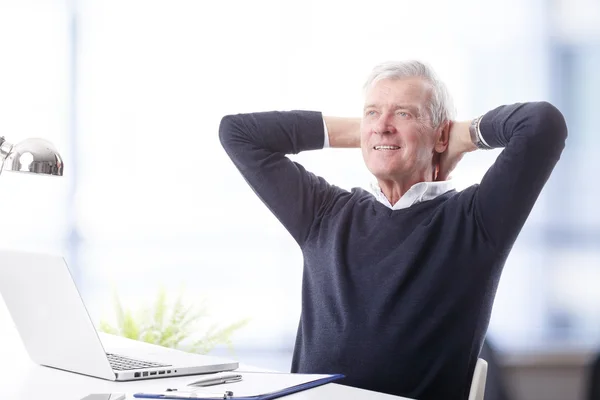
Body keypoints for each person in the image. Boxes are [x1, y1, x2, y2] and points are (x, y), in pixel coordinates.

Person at [219, 60, 567, 400]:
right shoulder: (323, 212)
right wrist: (372, 131)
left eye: (404, 113)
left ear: (441, 134)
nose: (383, 124)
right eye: (372, 111)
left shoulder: (475, 220)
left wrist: (463, 135)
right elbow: (238, 133)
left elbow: (541, 124)